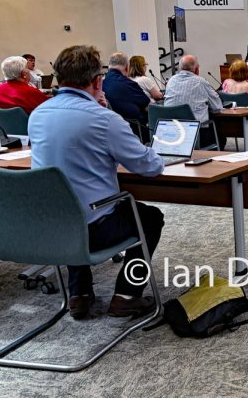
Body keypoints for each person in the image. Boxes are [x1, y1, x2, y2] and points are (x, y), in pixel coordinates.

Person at [29, 45, 165, 320]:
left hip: (51, 225)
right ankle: (127, 296)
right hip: (95, 229)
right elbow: (149, 167)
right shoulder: (104, 120)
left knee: (70, 205)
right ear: (97, 81)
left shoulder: (38, 114)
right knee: (150, 218)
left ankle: (79, 294)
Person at [164, 54, 226, 150]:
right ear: (196, 69)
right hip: (197, 133)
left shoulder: (171, 81)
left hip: (172, 132)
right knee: (220, 132)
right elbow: (217, 107)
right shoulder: (201, 82)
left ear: (180, 68)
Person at [103, 52, 150, 126]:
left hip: (112, 125)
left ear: (109, 66)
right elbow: (147, 105)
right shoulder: (129, 84)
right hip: (136, 127)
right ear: (126, 67)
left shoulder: (102, 82)